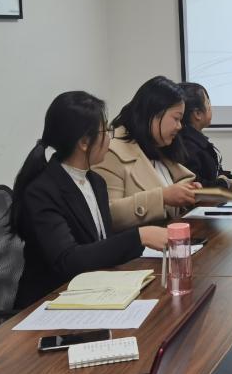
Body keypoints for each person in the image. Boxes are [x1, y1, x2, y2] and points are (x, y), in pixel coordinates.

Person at [10, 92, 171, 308]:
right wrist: (139, 236)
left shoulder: (96, 182)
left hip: (91, 292)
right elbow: (68, 260)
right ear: (84, 142)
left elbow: (99, 244)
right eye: (105, 132)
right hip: (49, 302)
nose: (109, 139)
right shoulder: (41, 191)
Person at [95, 76, 201, 229]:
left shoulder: (158, 147)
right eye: (176, 118)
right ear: (154, 114)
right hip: (140, 243)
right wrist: (163, 197)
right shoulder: (111, 151)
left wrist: (187, 193)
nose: (179, 126)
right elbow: (108, 214)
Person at [176, 82, 232, 191]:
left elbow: (215, 172)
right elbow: (197, 185)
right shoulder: (188, 146)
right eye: (208, 103)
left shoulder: (195, 140)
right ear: (197, 114)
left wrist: (229, 179)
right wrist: (227, 184)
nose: (210, 107)